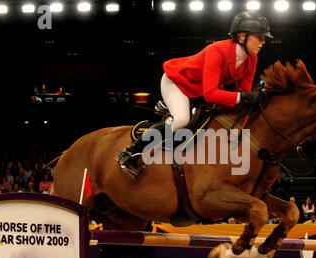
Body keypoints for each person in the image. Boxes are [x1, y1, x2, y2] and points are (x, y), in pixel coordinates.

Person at [116, 11, 273, 179]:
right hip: (177, 82)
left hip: (198, 91)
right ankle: (129, 152)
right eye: (259, 37)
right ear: (242, 36)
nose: (263, 42)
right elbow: (212, 95)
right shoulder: (217, 50)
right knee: (182, 120)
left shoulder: (252, 59)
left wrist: (254, 100)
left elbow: (241, 95)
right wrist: (244, 97)